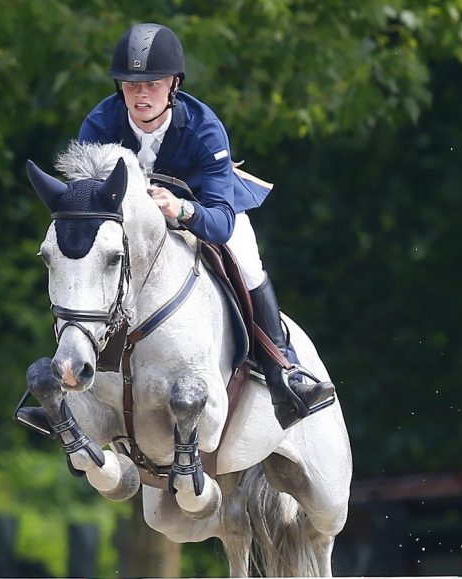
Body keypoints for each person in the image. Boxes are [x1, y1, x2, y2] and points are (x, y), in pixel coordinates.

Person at [77, 23, 334, 429]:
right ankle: (69, 372)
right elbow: (88, 204)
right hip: (132, 227)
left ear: (173, 85)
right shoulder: (99, 124)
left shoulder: (203, 126)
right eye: (130, 84)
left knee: (247, 257)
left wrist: (180, 209)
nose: (140, 94)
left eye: (153, 83)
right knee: (81, 258)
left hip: (202, 212)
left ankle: (285, 370)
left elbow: (220, 220)